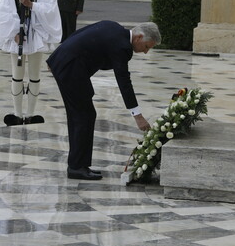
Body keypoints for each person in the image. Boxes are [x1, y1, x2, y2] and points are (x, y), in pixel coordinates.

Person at [46, 21, 161, 180]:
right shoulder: (122, 46)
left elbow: (79, 34)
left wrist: (54, 58)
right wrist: (137, 115)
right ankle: (76, 167)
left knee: (83, 115)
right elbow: (123, 81)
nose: (146, 52)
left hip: (67, 64)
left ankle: (79, 165)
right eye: (147, 46)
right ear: (139, 37)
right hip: (70, 68)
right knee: (83, 116)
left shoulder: (115, 28)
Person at [0, 0, 62, 126]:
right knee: (17, 74)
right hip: (18, 35)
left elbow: (50, 9)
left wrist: (32, 5)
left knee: (35, 75)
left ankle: (30, 114)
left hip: (36, 33)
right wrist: (15, 31)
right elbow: (5, 9)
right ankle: (17, 114)